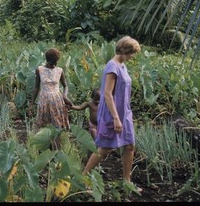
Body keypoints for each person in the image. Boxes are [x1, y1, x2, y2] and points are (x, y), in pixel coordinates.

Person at [82, 36, 142, 190]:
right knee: (104, 148)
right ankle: (83, 178)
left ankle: (126, 181)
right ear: (124, 51)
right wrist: (116, 118)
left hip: (124, 113)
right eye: (132, 53)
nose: (132, 56)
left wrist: (123, 115)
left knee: (129, 146)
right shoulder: (112, 67)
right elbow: (107, 94)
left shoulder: (122, 65)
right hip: (113, 114)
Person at [29, 48, 73, 136]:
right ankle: (44, 144)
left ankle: (56, 144)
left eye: (56, 62)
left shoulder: (59, 70)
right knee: (43, 123)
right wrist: (31, 103)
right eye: (52, 63)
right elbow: (36, 87)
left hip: (57, 100)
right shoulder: (40, 70)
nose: (54, 65)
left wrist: (65, 96)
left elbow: (65, 86)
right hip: (44, 100)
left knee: (57, 124)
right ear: (47, 60)